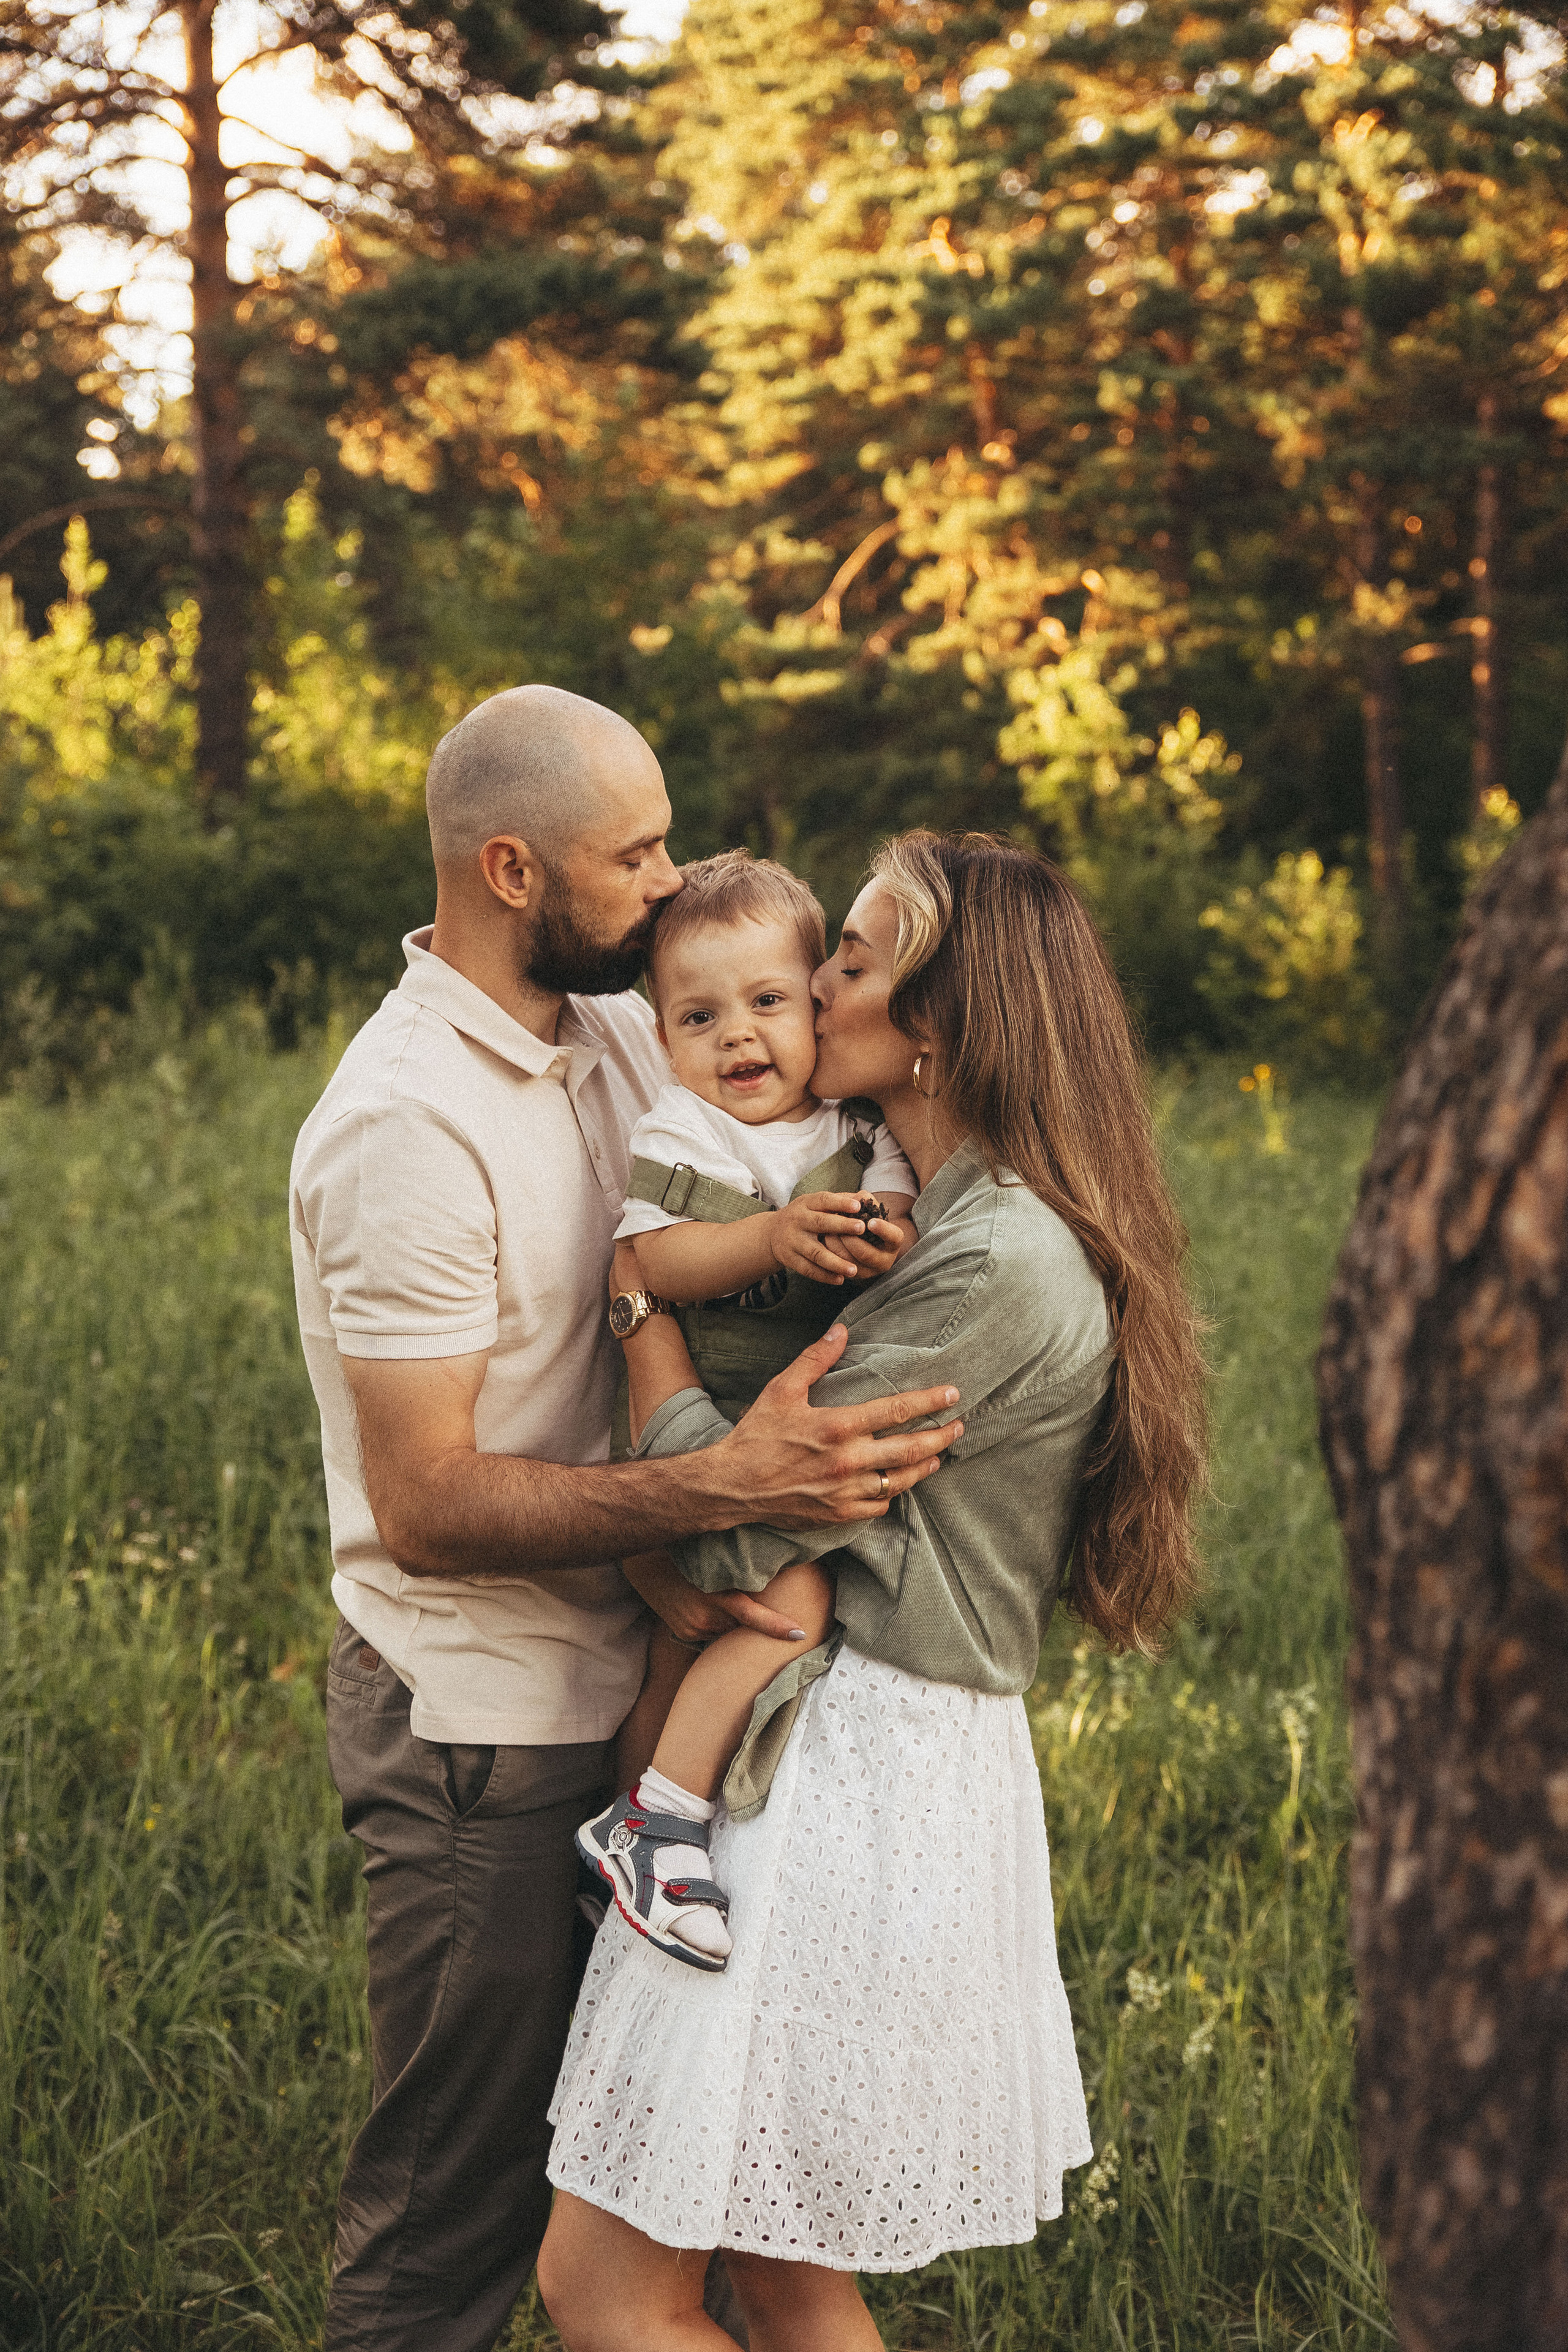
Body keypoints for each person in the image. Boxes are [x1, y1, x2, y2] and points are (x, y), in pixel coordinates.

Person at [287, 687, 963, 2352]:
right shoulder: (404, 1129)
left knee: (688, 2185)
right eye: (636, 854)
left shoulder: (612, 1019)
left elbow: (779, 1068)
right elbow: (428, 1503)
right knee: (453, 2225)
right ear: (512, 868)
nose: (671, 885)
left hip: (653, 1685)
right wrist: (724, 1488)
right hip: (487, 1731)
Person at [538, 829, 1207, 2352]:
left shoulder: (989, 1265)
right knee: (782, 2279)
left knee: (607, 2290)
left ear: (937, 1023)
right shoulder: (944, 1211)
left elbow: (731, 1534)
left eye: (847, 958)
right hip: (846, 1763)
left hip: (835, 1791)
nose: (809, 986)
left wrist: (639, 1300)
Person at [576, 850, 919, 1972]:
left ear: (818, 997)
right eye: (700, 1017)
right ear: (663, 1040)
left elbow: (903, 1222)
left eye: (769, 1002)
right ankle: (657, 1819)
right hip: (700, 1417)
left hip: (785, 1413)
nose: (740, 1039)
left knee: (685, 1644)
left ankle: (618, 1837)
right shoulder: (687, 1130)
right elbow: (656, 1262)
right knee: (788, 1603)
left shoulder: (854, 1129)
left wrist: (888, 1234)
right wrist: (773, 1236)